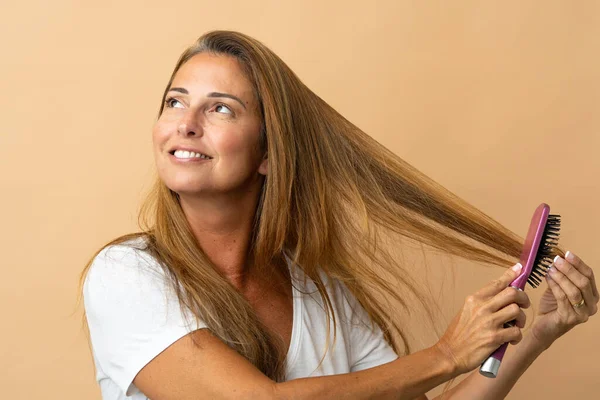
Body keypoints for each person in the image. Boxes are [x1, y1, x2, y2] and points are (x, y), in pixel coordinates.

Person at [78, 30, 598, 400]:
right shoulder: (127, 276)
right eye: (175, 101)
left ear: (268, 154)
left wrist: (533, 336)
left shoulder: (319, 292)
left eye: (220, 108)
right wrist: (445, 355)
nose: (185, 124)